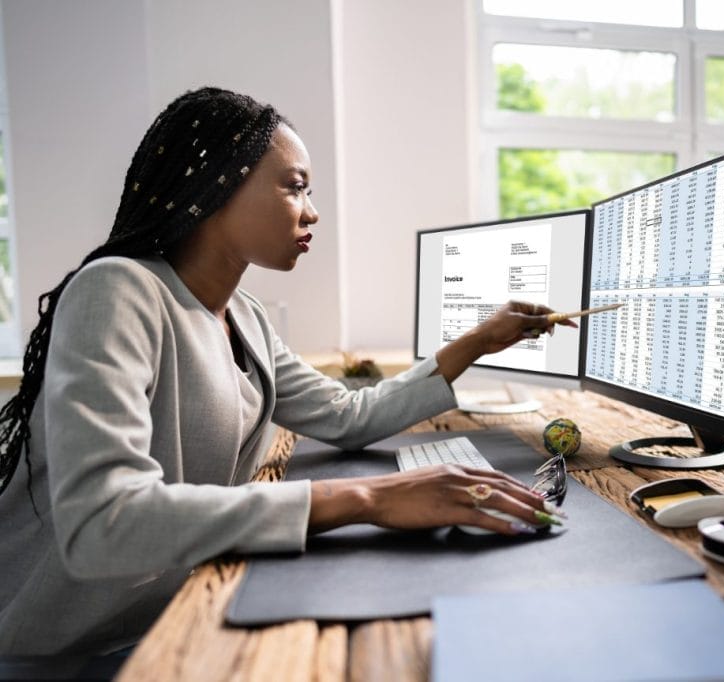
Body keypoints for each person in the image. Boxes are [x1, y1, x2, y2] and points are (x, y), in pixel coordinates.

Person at [0, 87, 574, 656]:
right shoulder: (119, 291)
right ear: (216, 188)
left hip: (173, 611)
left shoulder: (243, 315)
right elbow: (103, 522)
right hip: (71, 647)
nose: (312, 211)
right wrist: (371, 497)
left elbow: (347, 416)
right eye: (295, 187)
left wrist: (478, 341)